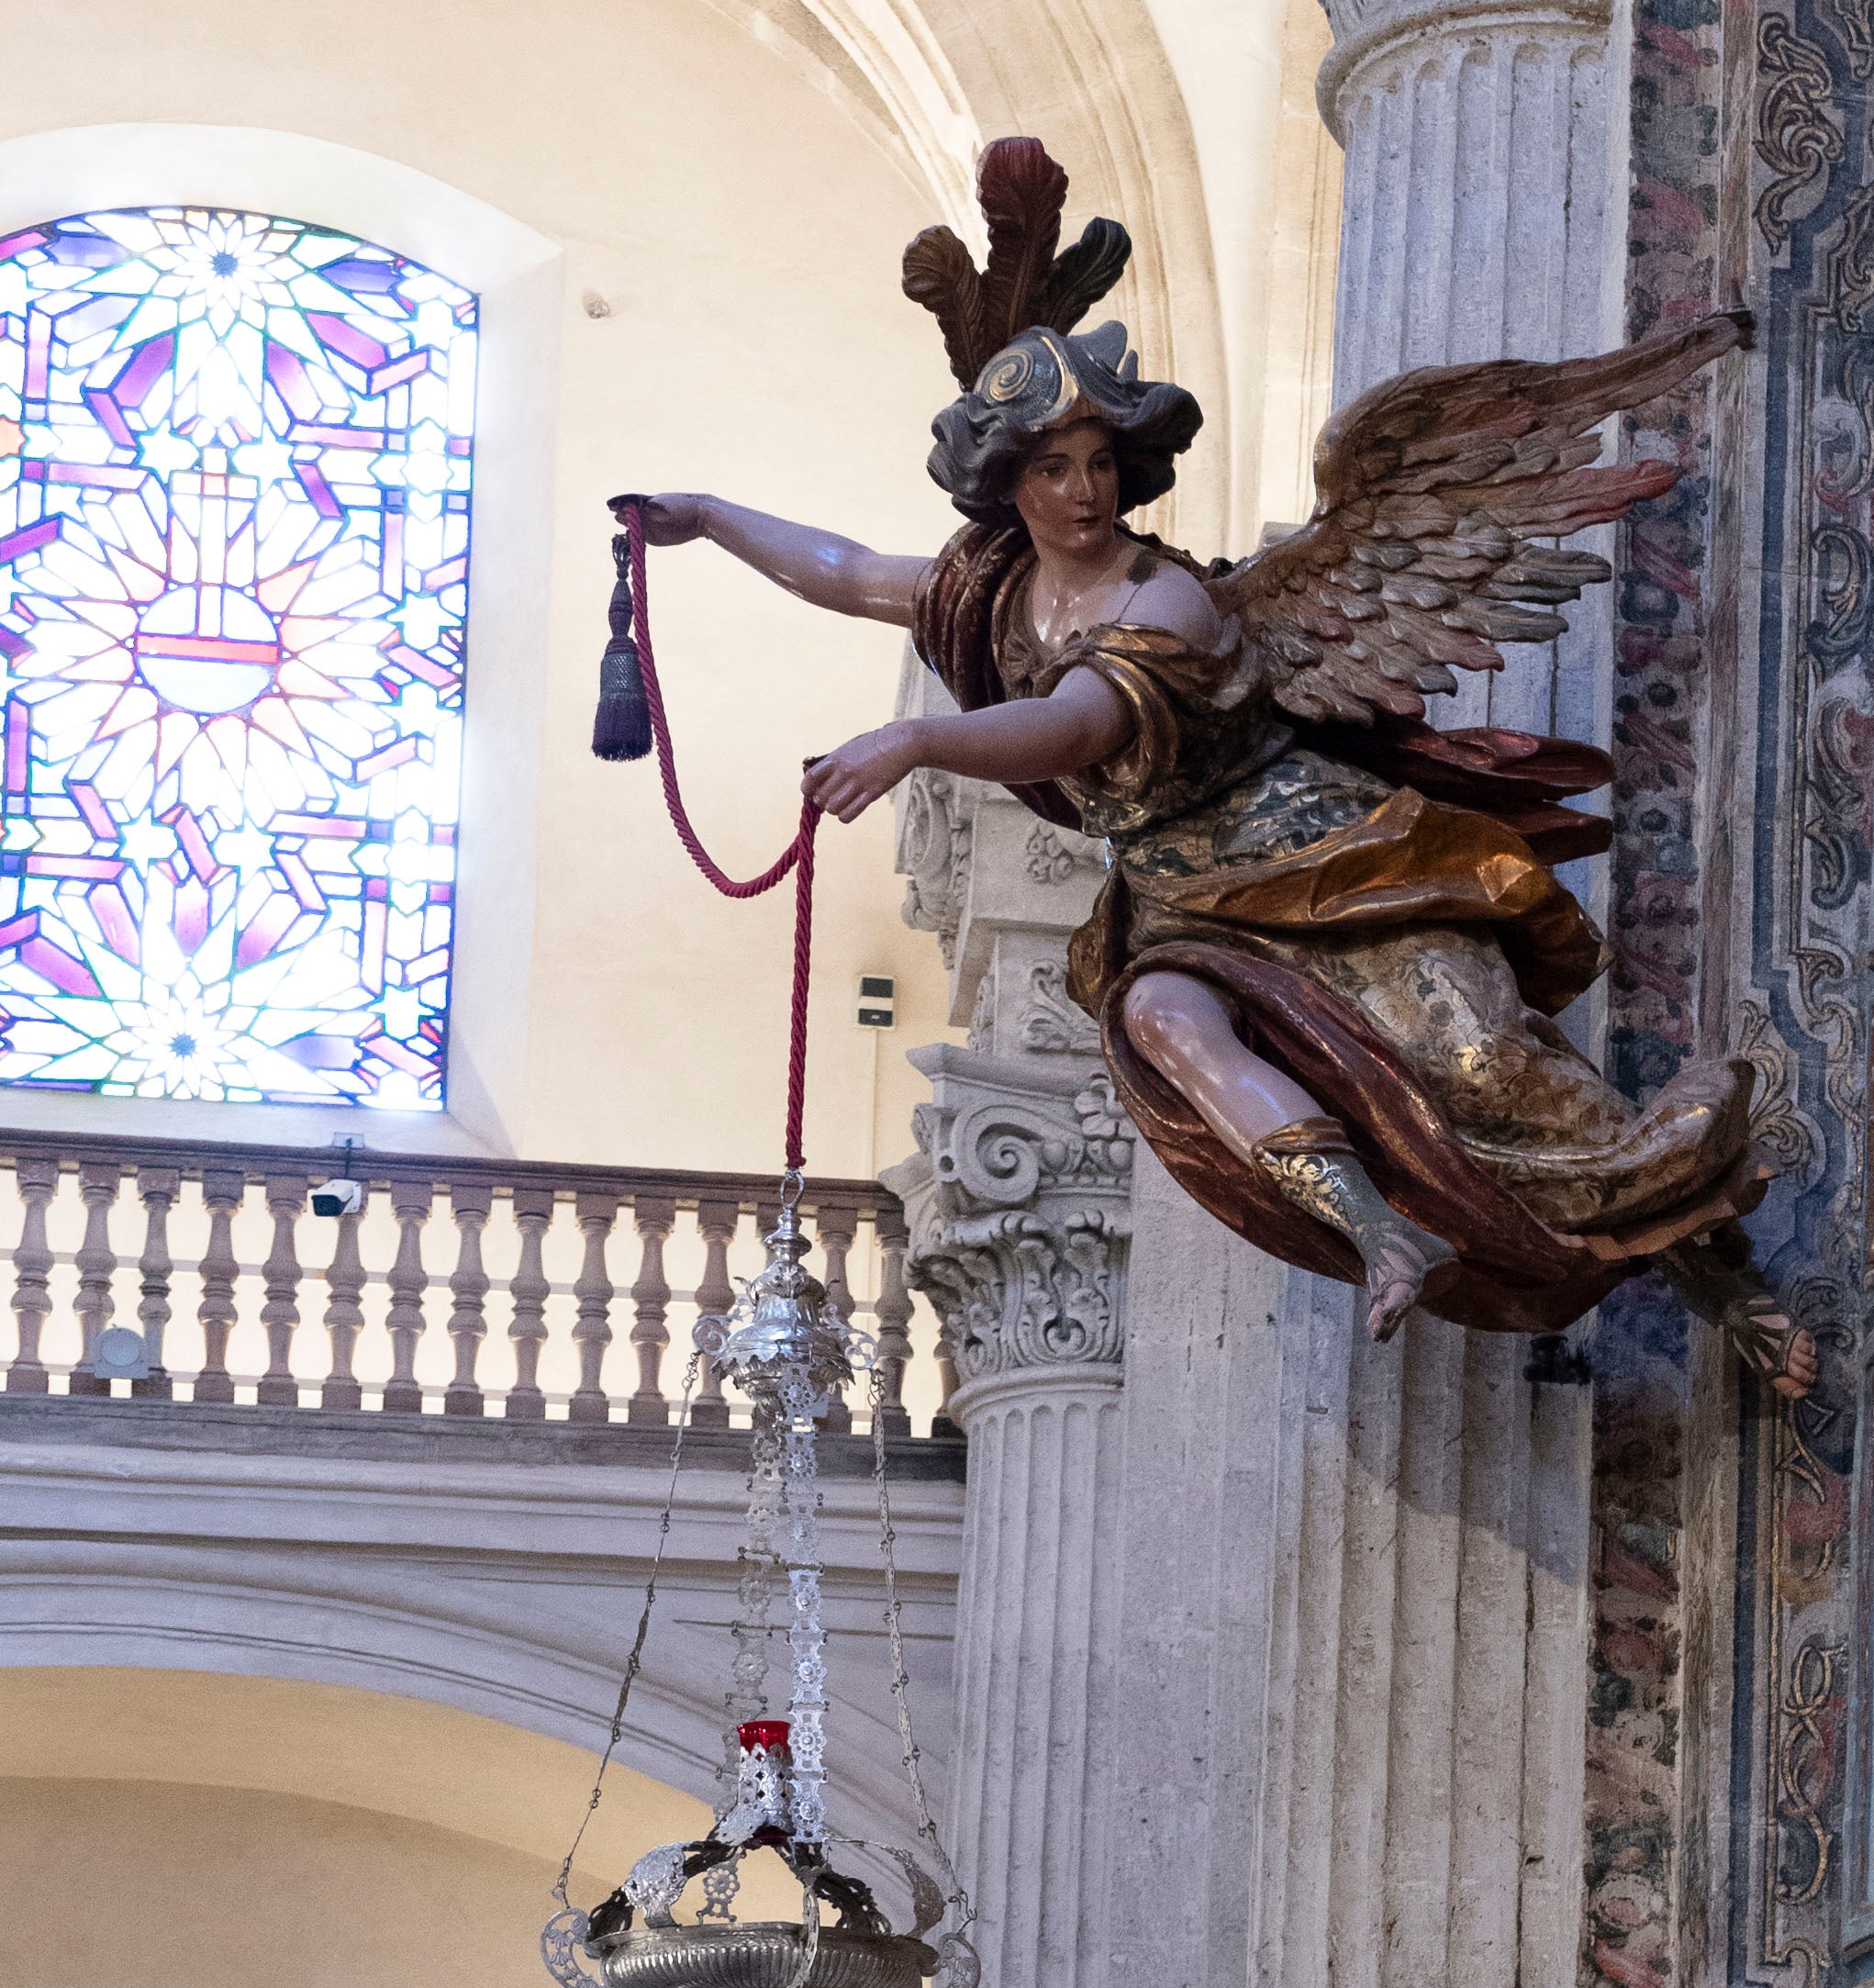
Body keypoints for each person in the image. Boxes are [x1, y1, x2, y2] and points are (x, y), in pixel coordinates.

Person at [625, 140, 1779, 1352]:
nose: (1083, 490)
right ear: (1006, 482)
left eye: (1100, 463)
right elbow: (852, 572)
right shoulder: (992, 589)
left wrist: (918, 738)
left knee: (1491, 1070)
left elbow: (1078, 725)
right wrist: (706, 519)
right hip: (1186, 901)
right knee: (1166, 1024)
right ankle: (1382, 1230)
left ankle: (1724, 1281)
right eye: (1055, 467)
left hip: (1327, 859)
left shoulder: (1163, 602)